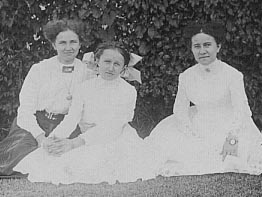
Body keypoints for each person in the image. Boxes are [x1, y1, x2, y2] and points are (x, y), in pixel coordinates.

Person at [14, 41, 158, 184]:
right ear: (97, 61)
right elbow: (71, 119)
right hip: (85, 138)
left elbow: (113, 127)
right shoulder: (84, 88)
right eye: (107, 61)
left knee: (95, 165)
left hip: (116, 138)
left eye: (117, 64)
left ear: (124, 68)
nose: (111, 68)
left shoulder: (127, 91)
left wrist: (75, 143)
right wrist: (54, 139)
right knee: (52, 158)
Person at [145, 21, 262, 176]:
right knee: (173, 149)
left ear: (218, 47)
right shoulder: (186, 76)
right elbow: (180, 110)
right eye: (197, 46)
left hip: (229, 125)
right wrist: (190, 133)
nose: (202, 51)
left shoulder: (232, 75)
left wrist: (232, 138)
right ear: (191, 48)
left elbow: (241, 109)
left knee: (231, 155)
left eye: (207, 45)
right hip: (198, 124)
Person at [0, 19, 95, 176]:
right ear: (53, 45)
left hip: (68, 126)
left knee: (70, 156)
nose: (68, 47)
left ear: (80, 44)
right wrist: (41, 138)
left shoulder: (88, 72)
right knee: (21, 156)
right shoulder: (39, 70)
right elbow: (25, 111)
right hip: (35, 125)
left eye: (73, 42)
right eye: (62, 42)